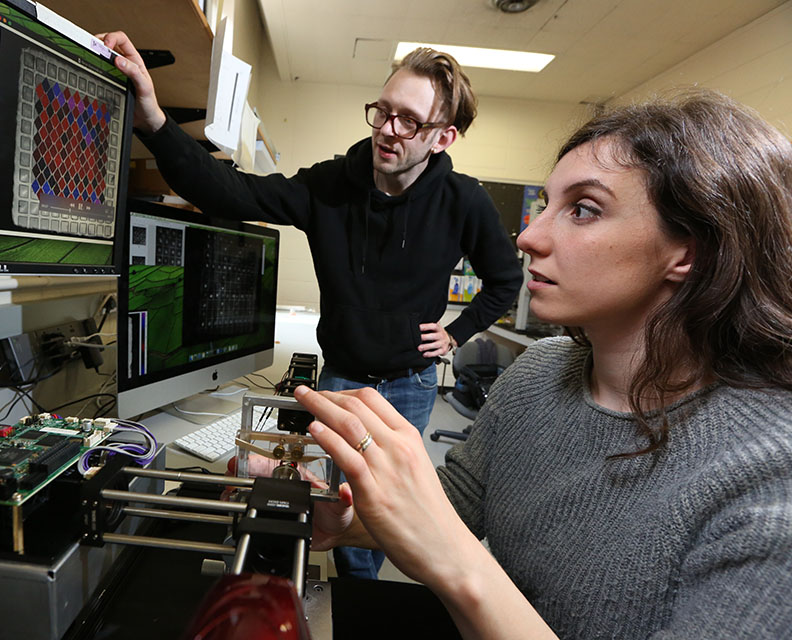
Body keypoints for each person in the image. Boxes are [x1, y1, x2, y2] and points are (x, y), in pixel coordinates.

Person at [291, 88, 792, 639]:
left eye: (583, 209)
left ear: (690, 250)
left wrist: (459, 565)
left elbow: (451, 544)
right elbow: (453, 508)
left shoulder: (770, 474)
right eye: (546, 205)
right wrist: (346, 521)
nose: (529, 236)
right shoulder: (538, 373)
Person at [102, 31, 523, 579]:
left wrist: (458, 332)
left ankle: (356, 599)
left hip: (408, 385)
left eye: (408, 121)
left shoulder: (463, 201)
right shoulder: (333, 185)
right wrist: (155, 122)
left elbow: (505, 278)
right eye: (383, 112)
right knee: (328, 507)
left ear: (442, 138)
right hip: (342, 379)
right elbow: (235, 195)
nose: (387, 131)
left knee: (375, 521)